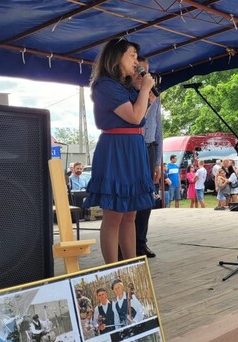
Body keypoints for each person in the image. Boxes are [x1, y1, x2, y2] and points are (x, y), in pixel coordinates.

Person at [82, 38, 155, 264]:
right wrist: (143, 89)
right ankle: (112, 268)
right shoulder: (105, 85)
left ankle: (131, 265)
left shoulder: (125, 86)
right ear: (116, 57)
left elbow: (140, 115)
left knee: (130, 213)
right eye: (132, 55)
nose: (136, 61)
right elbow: (133, 116)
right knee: (113, 214)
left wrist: (141, 91)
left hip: (134, 147)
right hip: (116, 148)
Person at [133, 56, 161, 258]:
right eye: (140, 70)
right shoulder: (127, 94)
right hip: (133, 147)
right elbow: (135, 120)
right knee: (132, 197)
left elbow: (159, 128)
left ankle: (141, 243)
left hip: (150, 148)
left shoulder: (155, 95)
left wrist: (159, 160)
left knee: (146, 198)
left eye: (147, 71)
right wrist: (146, 100)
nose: (144, 75)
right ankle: (126, 244)